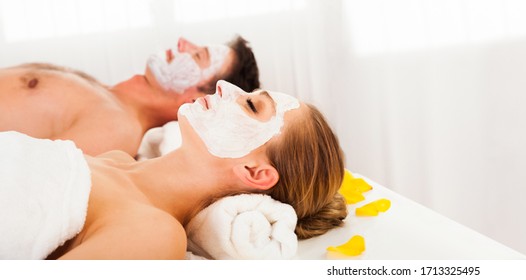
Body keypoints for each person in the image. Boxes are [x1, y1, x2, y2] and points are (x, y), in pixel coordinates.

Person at [4, 80, 347, 259]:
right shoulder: (117, 159)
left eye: (252, 104)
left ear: (255, 173)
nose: (224, 86)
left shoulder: (156, 234)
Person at [0, 35, 260, 156]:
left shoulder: (117, 129)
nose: (182, 42)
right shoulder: (103, 93)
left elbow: (24, 180)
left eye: (196, 55)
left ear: (193, 99)